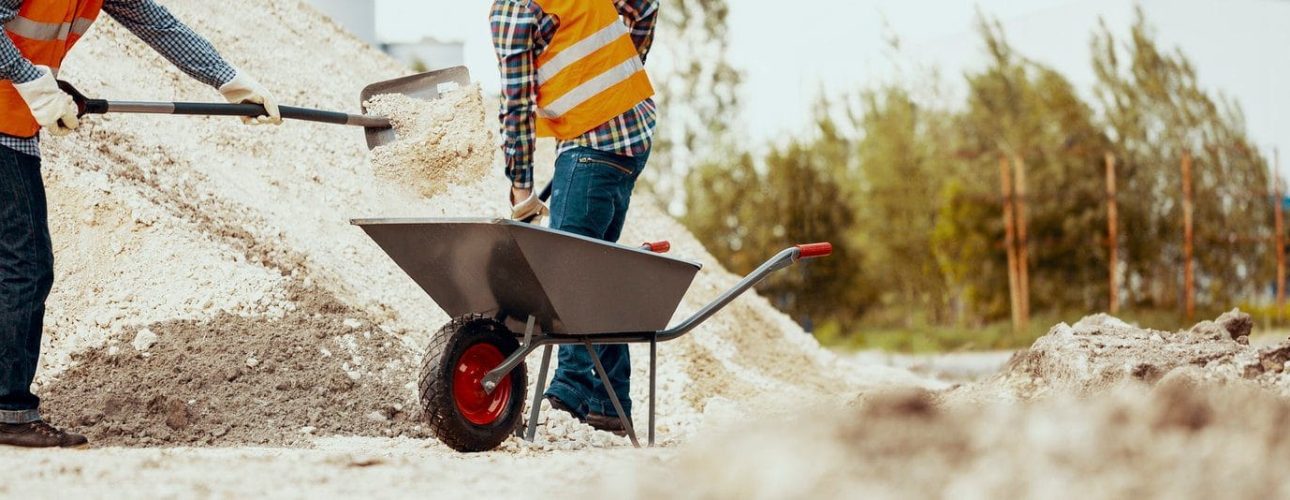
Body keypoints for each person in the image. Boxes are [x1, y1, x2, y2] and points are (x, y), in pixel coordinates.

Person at [0, 0, 280, 448]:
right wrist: (32, 79)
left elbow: (156, 24)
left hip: (13, 126)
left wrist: (228, 79)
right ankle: (8, 413)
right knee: (25, 266)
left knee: (21, 266)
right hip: (3, 130)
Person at [491, 0, 658, 436]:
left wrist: (521, 191)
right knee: (593, 265)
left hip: (594, 146)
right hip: (634, 132)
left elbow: (518, 107)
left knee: (565, 268)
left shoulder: (513, 10)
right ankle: (609, 401)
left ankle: (573, 389)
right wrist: (618, 81)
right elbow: (645, 6)